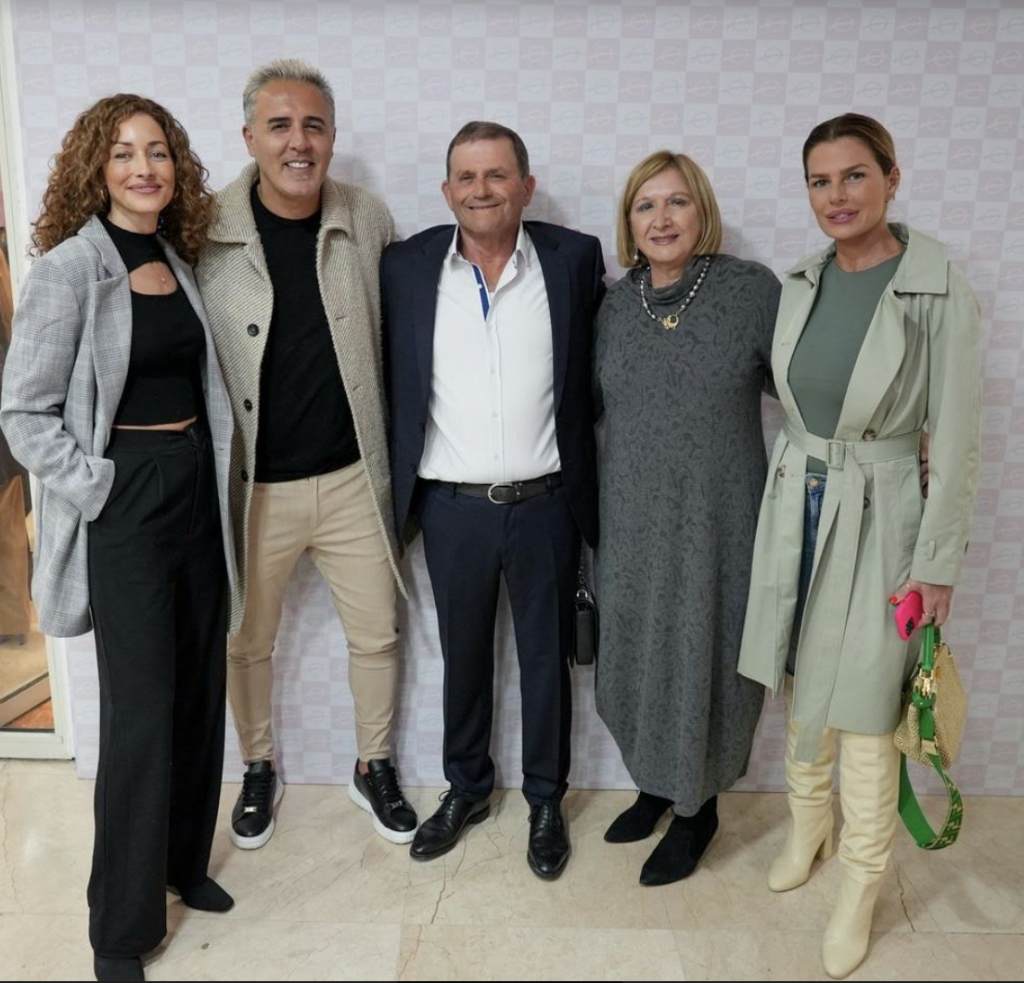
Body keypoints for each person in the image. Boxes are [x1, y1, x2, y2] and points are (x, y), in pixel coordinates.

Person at [1, 94, 240, 983]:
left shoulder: (177, 259)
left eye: (159, 152)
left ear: (177, 168)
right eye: (125, 153)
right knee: (140, 713)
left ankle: (182, 866)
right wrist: (98, 486)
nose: (145, 168)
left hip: (195, 488)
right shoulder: (70, 269)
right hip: (125, 498)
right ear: (95, 169)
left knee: (197, 687)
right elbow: (23, 412)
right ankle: (120, 924)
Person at [738, 113, 981, 979]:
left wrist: (937, 565)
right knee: (801, 682)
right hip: (797, 502)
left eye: (853, 176)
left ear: (891, 178)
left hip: (885, 516)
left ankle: (861, 883)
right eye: (819, 180)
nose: (836, 195)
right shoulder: (801, 280)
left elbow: (957, 439)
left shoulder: (937, 287)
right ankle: (809, 826)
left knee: (868, 707)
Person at [195, 59, 417, 850]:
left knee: (379, 631)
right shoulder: (205, 228)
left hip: (353, 476)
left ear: (331, 136)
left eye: (314, 126)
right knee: (245, 638)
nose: (299, 142)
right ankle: (257, 766)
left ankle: (373, 763)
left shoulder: (367, 217)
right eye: (281, 126)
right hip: (255, 486)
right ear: (248, 136)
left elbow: (400, 332)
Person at [383, 121, 605, 879]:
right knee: (464, 657)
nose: (482, 189)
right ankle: (468, 787)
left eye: (498, 174)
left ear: (526, 186)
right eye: (467, 177)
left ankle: (546, 799)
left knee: (546, 660)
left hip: (547, 502)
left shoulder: (574, 260)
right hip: (451, 507)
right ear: (447, 191)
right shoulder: (406, 266)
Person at [593, 150, 782, 886]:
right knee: (638, 651)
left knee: (710, 652)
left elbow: (808, 389)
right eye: (646, 205)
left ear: (702, 211)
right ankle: (655, 784)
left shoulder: (750, 291)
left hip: (721, 521)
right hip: (630, 523)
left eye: (677, 202)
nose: (662, 218)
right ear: (629, 222)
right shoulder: (614, 307)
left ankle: (698, 807)